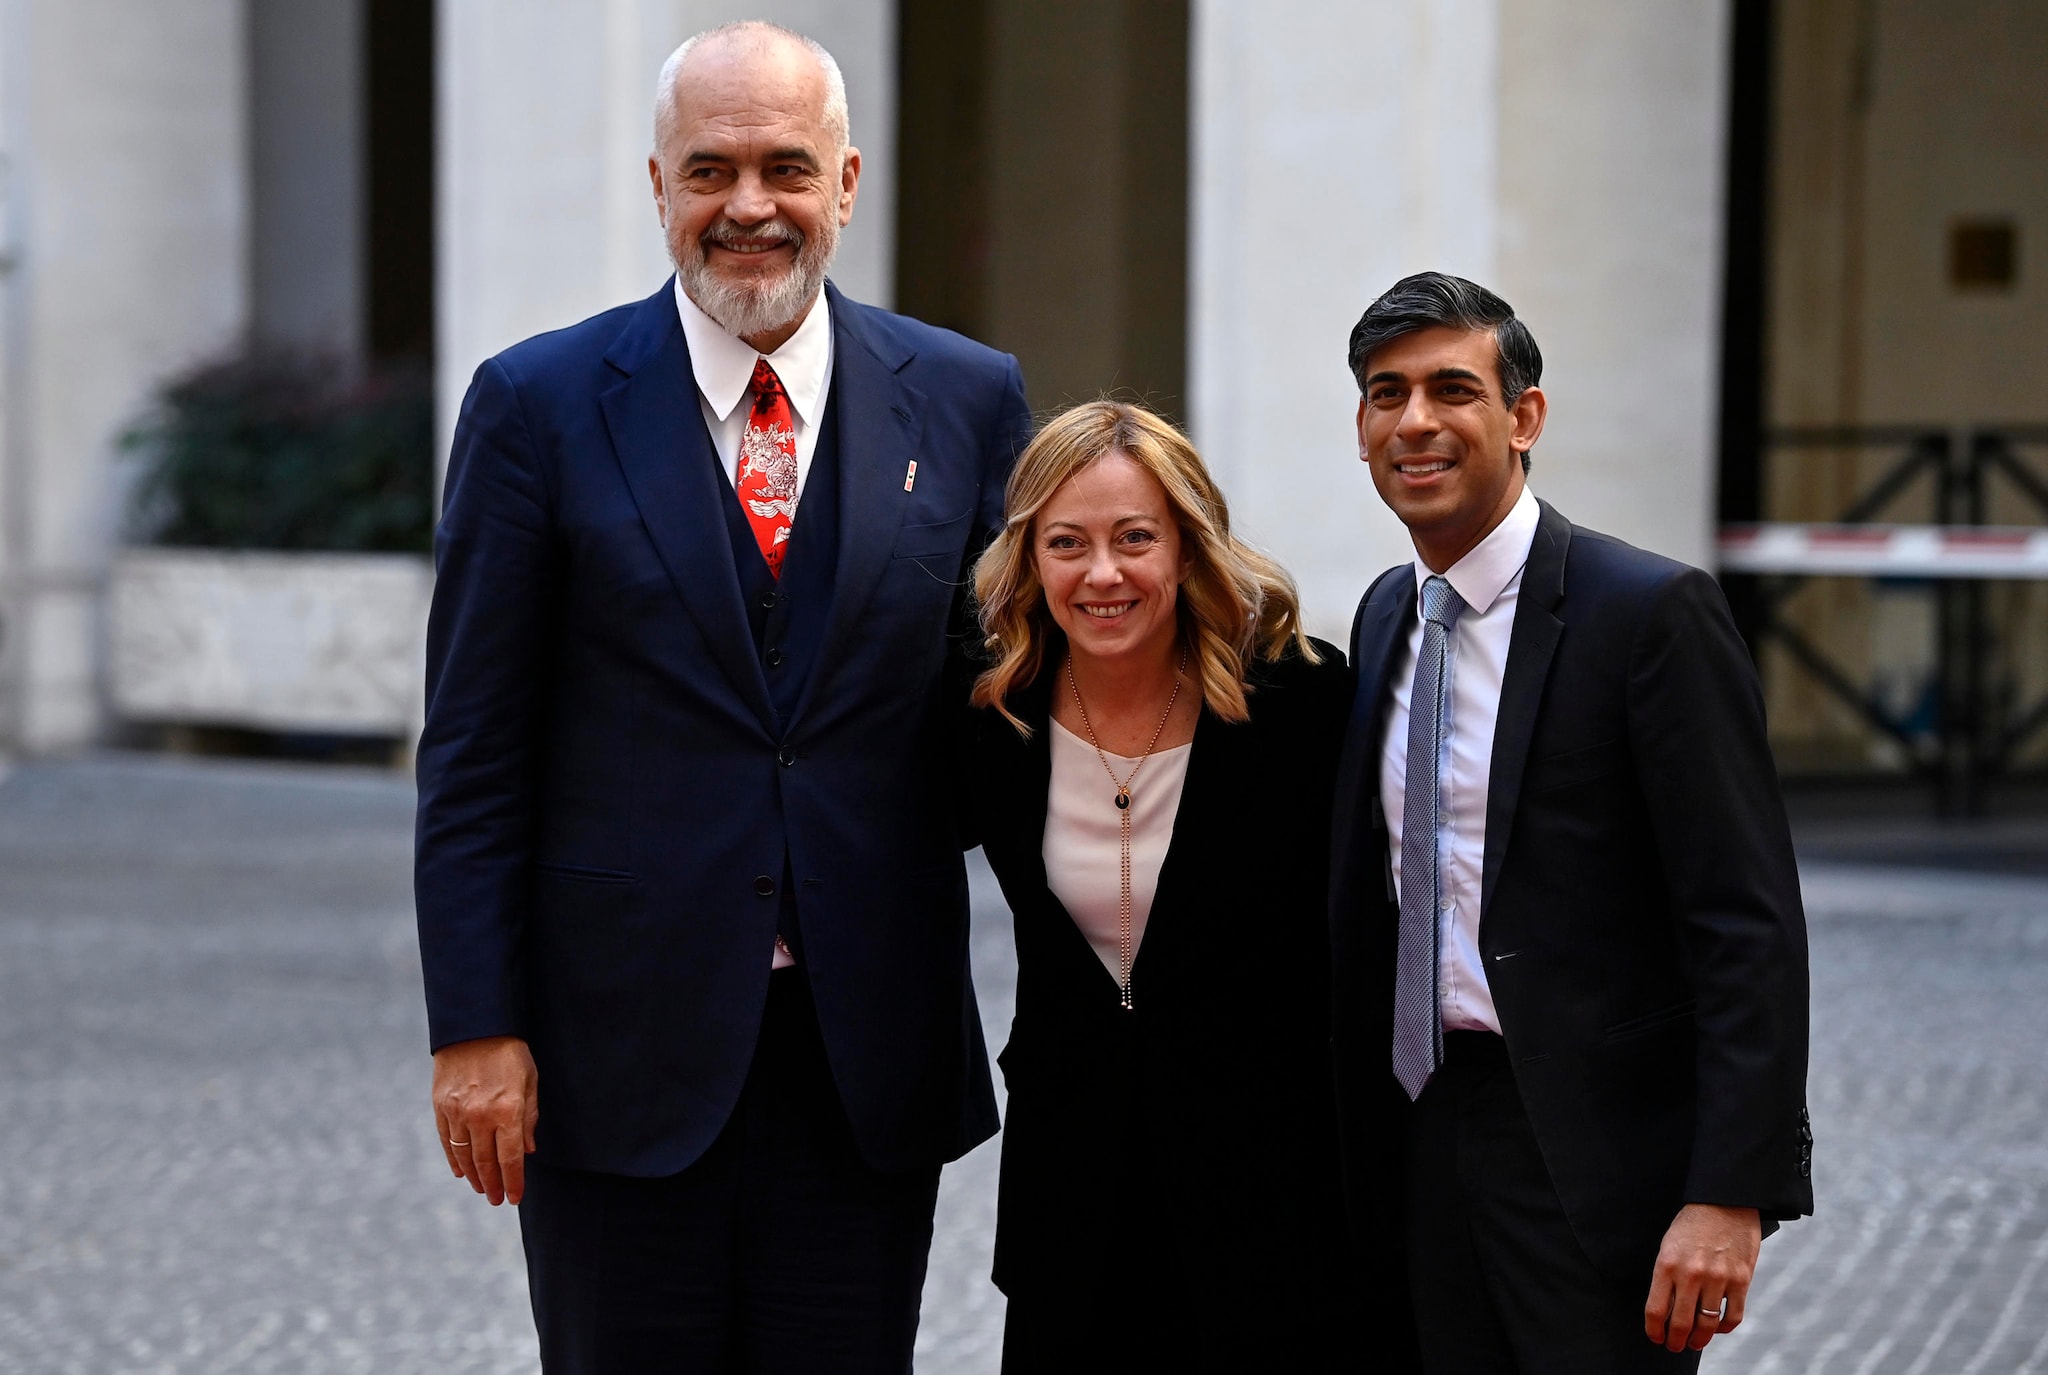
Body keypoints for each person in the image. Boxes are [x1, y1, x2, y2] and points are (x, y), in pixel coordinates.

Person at [413, 21, 1030, 1371]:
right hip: (613, 1047)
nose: (750, 206)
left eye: (786, 167)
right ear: (658, 186)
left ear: (848, 182)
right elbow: (473, 748)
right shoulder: (536, 402)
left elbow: (1005, 704)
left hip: (867, 1047)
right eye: (712, 169)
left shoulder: (972, 402)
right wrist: (475, 1023)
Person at [1328, 272, 1814, 1372]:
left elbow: (1746, 925)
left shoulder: (1646, 615)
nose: (1414, 422)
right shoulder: (1381, 614)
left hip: (1588, 1160)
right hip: (1414, 1132)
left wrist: (1725, 1194)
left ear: (1523, 415)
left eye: (1452, 389)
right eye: (1383, 393)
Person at [966, 400, 1380, 1372]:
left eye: (1133, 538)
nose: (1100, 573)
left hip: (1273, 1210)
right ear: (1028, 561)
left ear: (1188, 548)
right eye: (1064, 542)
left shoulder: (1307, 707)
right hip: (1068, 1209)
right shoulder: (991, 723)